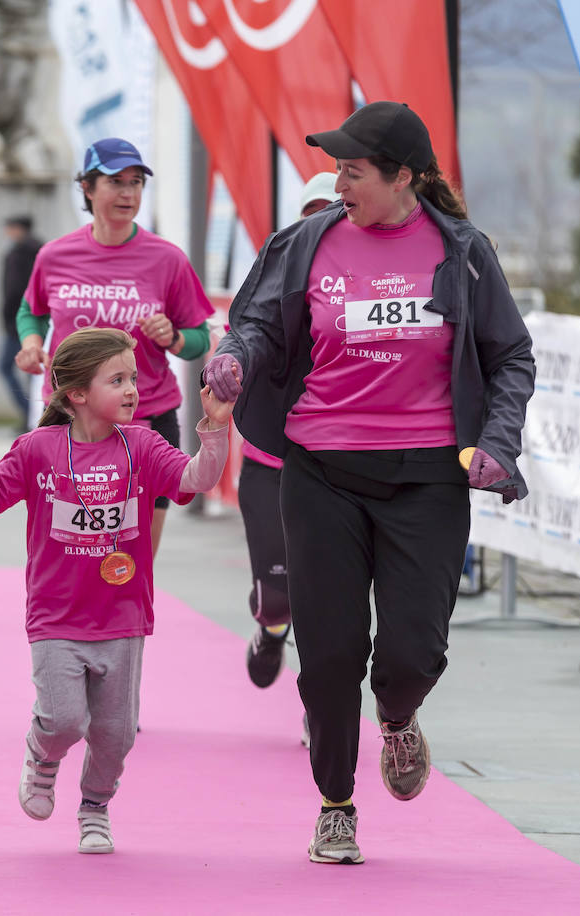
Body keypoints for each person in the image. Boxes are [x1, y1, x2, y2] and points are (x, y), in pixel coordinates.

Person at [206, 101, 534, 865]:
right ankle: (335, 804)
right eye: (340, 168)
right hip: (321, 472)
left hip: (428, 478)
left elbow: (511, 355)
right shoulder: (306, 242)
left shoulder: (463, 252)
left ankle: (398, 712)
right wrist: (236, 358)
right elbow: (255, 323)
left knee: (413, 653)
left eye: (355, 169)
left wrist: (497, 441)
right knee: (327, 653)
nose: (340, 180)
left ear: (403, 177)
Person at [0, 327, 234, 853]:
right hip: (56, 617)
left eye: (136, 378)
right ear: (76, 394)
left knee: (115, 734)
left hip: (123, 619)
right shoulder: (38, 449)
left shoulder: (144, 445)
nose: (133, 389)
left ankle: (95, 805)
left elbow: (196, 478)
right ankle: (42, 754)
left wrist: (215, 428)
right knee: (63, 719)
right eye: (118, 379)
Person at [16, 138, 215, 559]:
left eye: (136, 182)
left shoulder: (167, 259)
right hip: (71, 426)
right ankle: (64, 626)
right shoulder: (54, 255)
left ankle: (127, 627)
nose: (128, 193)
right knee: (68, 554)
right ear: (87, 188)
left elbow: (199, 336)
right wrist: (32, 343)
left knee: (132, 560)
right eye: (116, 182)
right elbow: (30, 311)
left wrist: (173, 337)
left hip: (146, 425)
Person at [239, 172, 340, 748]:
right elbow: (243, 338)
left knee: (329, 597)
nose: (325, 223)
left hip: (334, 467)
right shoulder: (276, 274)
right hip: (269, 463)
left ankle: (319, 708)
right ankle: (270, 627)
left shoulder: (360, 285)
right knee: (279, 594)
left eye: (335, 211)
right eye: (314, 212)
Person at [0, 215, 43, 427]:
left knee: (8, 366)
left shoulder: (18, 254)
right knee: (33, 370)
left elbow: (14, 290)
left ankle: (30, 414)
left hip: (19, 321)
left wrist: (7, 317)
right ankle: (32, 414)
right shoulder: (40, 251)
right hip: (37, 319)